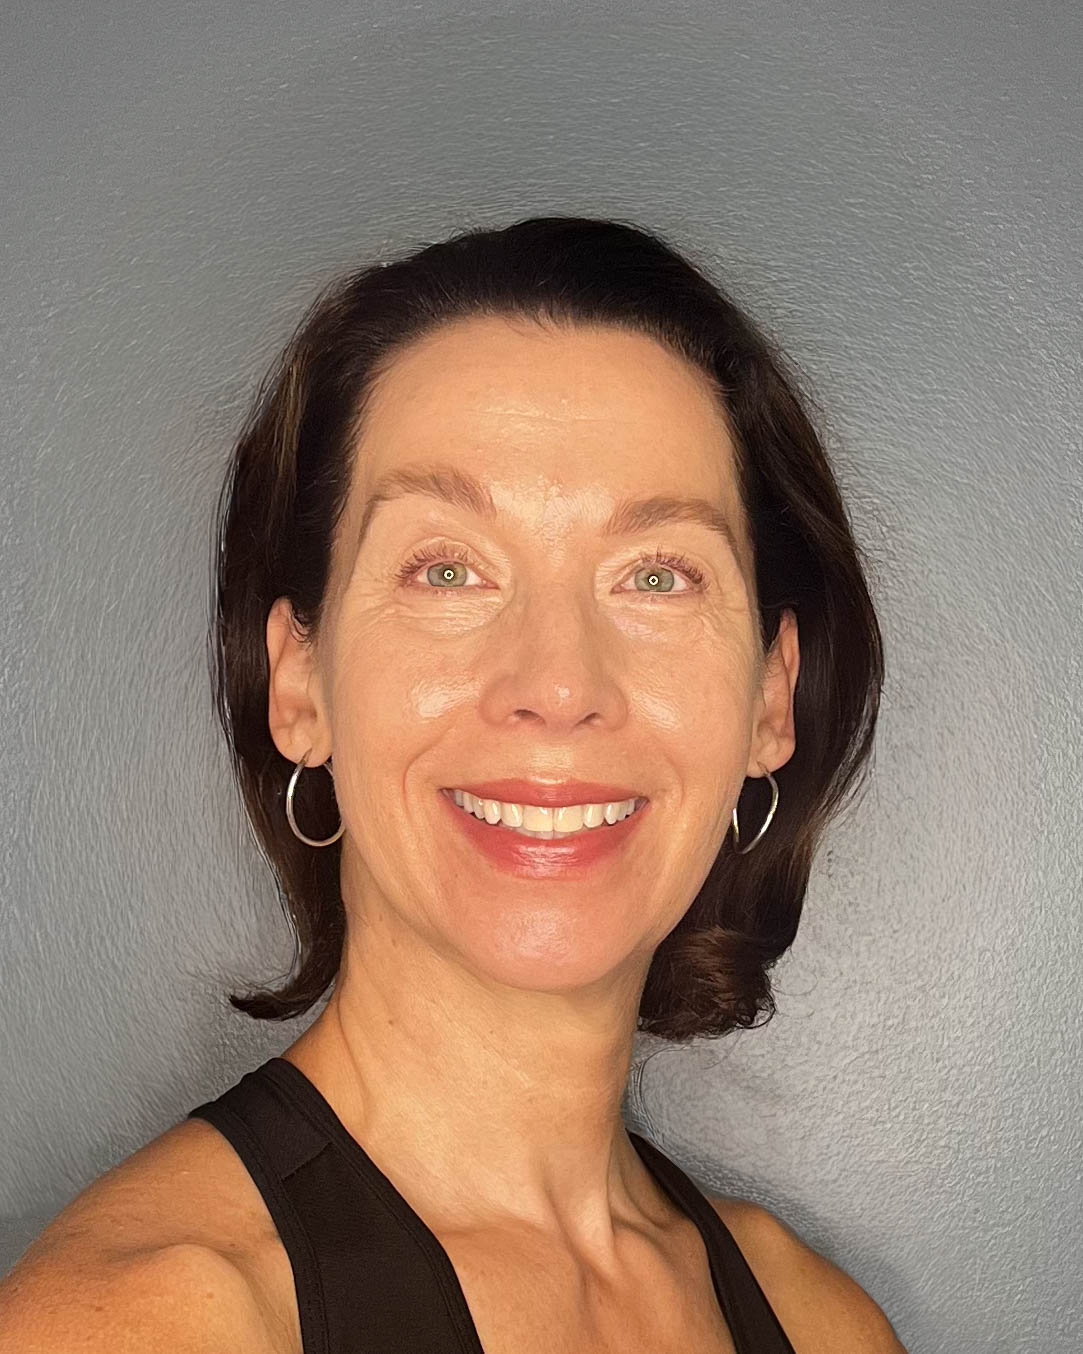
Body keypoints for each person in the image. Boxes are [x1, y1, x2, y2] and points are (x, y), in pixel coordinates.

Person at [0, 215, 905, 1352]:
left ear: (771, 699)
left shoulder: (823, 1325)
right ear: (300, 684)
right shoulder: (149, 1321)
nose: (558, 684)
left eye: (658, 576)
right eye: (447, 570)